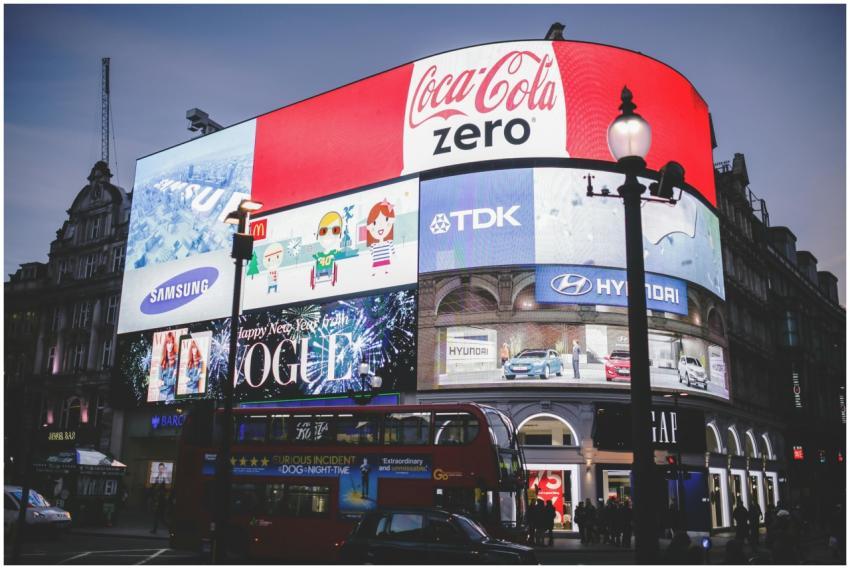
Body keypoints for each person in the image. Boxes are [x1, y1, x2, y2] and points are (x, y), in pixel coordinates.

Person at [366, 199, 396, 276]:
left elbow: (392, 248)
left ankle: (386, 271)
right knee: (376, 265)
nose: (380, 226)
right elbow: (371, 251)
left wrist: (394, 253)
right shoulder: (374, 244)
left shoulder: (388, 241)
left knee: (385, 264)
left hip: (385, 258)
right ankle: (374, 272)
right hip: (376, 259)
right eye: (375, 223)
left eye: (386, 220)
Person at [158, 332, 178, 401]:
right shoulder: (162, 361)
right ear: (165, 344)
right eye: (168, 343)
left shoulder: (176, 359)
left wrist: (164, 382)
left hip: (171, 395)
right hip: (161, 394)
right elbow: (159, 382)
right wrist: (168, 381)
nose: (170, 345)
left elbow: (174, 381)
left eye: (172, 343)